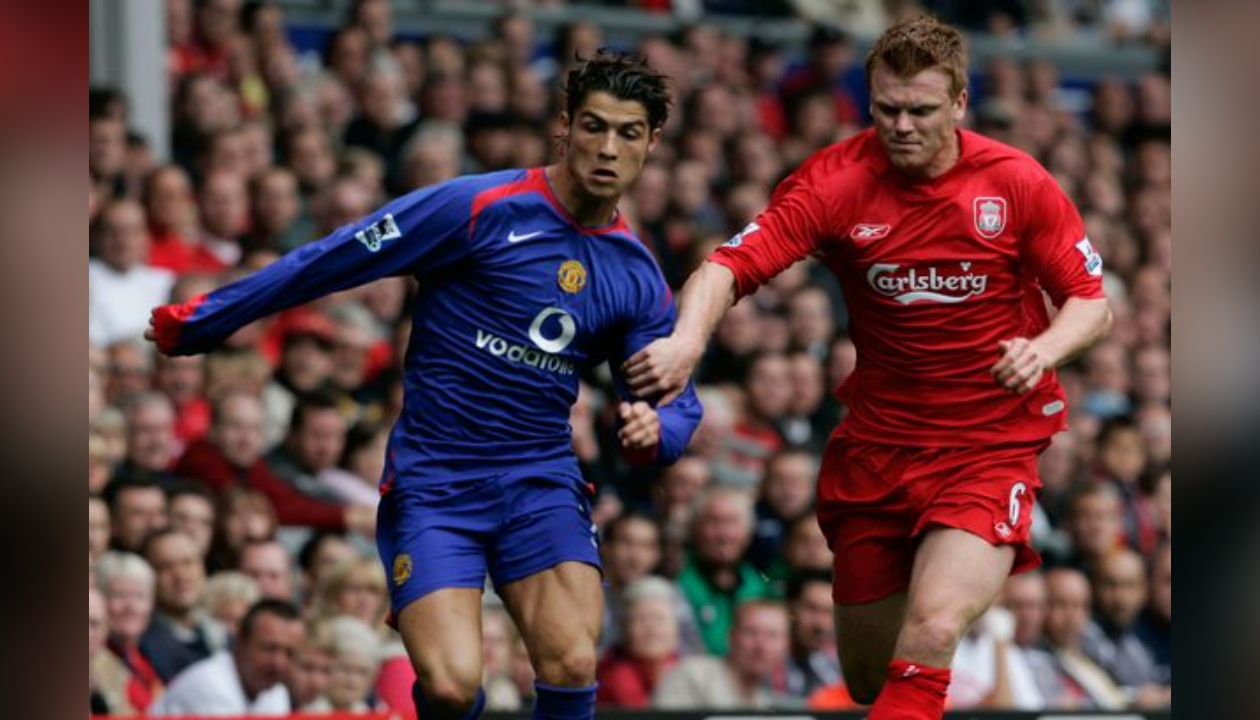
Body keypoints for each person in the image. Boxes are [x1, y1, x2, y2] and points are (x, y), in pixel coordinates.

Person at [147, 50, 701, 720]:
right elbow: (337, 256)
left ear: (652, 144)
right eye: (594, 126)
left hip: (539, 478)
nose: (607, 148)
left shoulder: (635, 273)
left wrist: (655, 432)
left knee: (573, 661)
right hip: (438, 480)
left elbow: (674, 400)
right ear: (565, 127)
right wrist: (209, 319)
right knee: (450, 685)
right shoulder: (478, 207)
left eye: (628, 133)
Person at [624, 16, 1111, 720]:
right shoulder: (838, 182)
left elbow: (1092, 306)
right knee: (867, 680)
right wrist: (688, 340)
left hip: (988, 446)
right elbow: (726, 266)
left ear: (960, 103)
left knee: (934, 630)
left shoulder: (1014, 182)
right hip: (879, 450)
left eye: (920, 110)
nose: (903, 126)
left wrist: (1041, 350)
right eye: (887, 110)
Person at [150, 598, 305, 716]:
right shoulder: (209, 685)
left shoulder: (276, 692)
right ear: (240, 642)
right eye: (269, 648)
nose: (278, 662)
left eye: (289, 653)